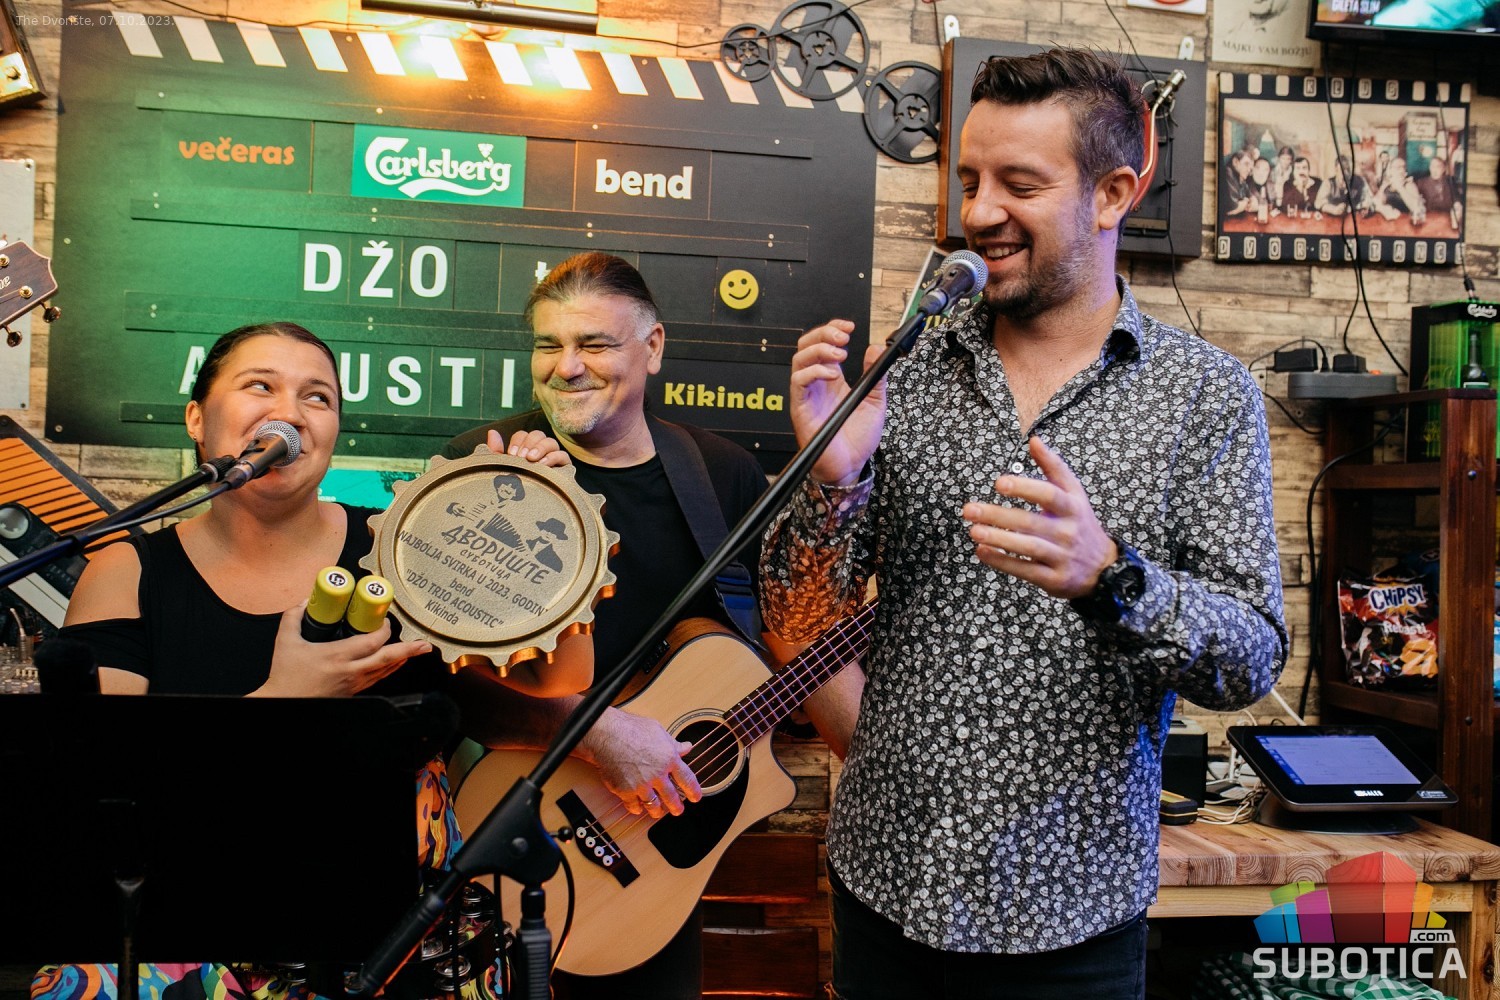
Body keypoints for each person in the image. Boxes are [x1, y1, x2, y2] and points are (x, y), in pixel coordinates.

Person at [761, 48, 1287, 1000]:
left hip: (1072, 919)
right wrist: (832, 483)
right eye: (970, 181)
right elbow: (798, 620)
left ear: (1113, 193)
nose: (978, 213)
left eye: (1020, 184)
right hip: (886, 889)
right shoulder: (907, 368)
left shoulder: (1205, 397)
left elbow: (1249, 660)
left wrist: (1112, 577)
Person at [33, 322, 581, 1000]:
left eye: (317, 397)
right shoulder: (128, 570)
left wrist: (553, 517)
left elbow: (560, 676)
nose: (289, 412)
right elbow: (106, 796)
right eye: (259, 386)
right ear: (197, 419)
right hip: (195, 921)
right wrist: (285, 701)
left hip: (398, 933)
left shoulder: (403, 546)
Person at [441, 251, 801, 1000]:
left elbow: (767, 649)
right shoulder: (478, 465)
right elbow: (435, 672)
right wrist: (599, 735)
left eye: (595, 344)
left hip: (649, 870)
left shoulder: (722, 474)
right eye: (548, 345)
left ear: (653, 347)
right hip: (508, 825)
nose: (566, 367)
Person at [1415, 155, 1463, 231]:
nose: (1435, 170)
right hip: (1429, 218)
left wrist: (1457, 203)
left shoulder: (1450, 181)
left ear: (1444, 169)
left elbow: (1456, 196)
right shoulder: (1421, 183)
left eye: (1438, 167)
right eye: (1432, 166)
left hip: (1448, 216)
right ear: (1430, 168)